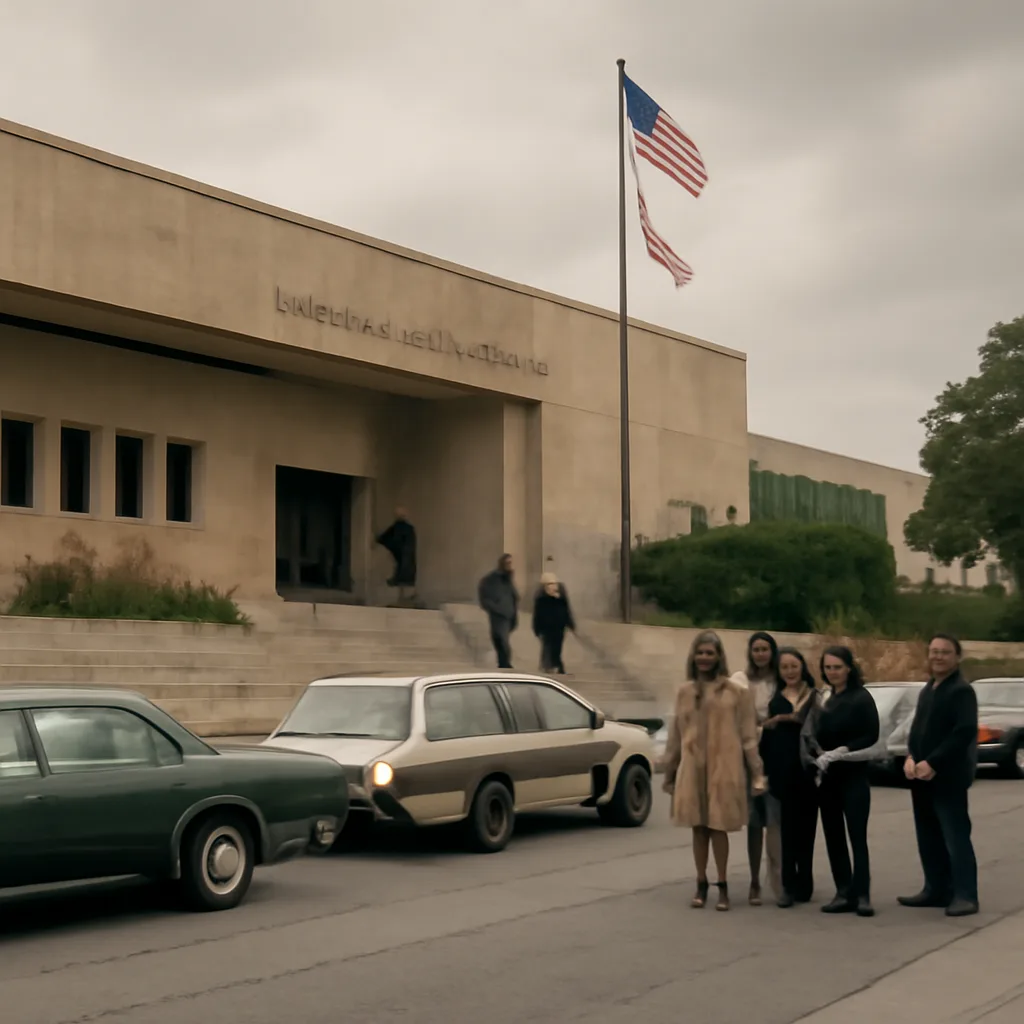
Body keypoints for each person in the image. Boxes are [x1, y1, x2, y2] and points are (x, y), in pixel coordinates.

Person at [663, 630, 766, 912]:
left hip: (725, 768)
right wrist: (669, 771)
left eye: (710, 653)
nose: (704, 658)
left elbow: (748, 736)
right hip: (693, 768)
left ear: (719, 656)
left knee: (718, 827)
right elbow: (675, 736)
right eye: (700, 653)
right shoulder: (685, 692)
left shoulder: (737, 692)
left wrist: (757, 772)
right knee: (698, 827)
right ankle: (701, 883)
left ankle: (722, 884)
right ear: (693, 656)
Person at [899, 633, 980, 917]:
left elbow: (964, 732)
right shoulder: (928, 689)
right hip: (921, 776)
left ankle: (966, 895)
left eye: (945, 652)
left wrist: (933, 762)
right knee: (928, 836)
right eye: (934, 651)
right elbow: (917, 729)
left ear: (957, 657)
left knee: (955, 836)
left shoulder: (961, 691)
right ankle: (936, 889)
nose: (938, 656)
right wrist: (911, 756)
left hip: (948, 777)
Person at [801, 645, 880, 917]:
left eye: (837, 667)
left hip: (854, 776)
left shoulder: (861, 698)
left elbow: (871, 734)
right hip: (828, 778)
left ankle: (863, 895)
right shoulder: (825, 699)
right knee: (834, 837)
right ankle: (843, 892)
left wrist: (843, 750)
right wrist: (816, 752)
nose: (832, 672)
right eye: (828, 668)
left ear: (849, 668)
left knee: (857, 837)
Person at [761, 647, 820, 907]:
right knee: (786, 831)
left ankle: (805, 883)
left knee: (807, 829)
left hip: (808, 770)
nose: (790, 671)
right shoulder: (776, 699)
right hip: (782, 771)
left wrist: (781, 718)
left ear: (802, 667)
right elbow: (767, 738)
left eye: (794, 666)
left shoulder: (814, 696)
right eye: (784, 667)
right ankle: (787, 885)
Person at [731, 631, 782, 906]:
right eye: (756, 649)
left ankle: (778, 880)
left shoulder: (780, 681)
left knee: (775, 820)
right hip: (749, 757)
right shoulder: (742, 681)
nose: (760, 654)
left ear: (772, 652)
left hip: (776, 755)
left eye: (765, 649)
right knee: (753, 821)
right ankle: (754, 881)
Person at [478, 554, 519, 669]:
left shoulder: (508, 579)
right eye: (508, 563)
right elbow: (484, 597)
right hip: (498, 615)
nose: (511, 565)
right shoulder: (492, 579)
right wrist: (495, 608)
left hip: (508, 614)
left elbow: (513, 597)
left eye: (511, 563)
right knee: (500, 639)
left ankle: (503, 664)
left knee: (501, 639)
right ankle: (505, 664)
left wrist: (513, 613)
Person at [532, 572, 575, 674]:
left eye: (554, 584)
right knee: (547, 646)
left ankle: (555, 665)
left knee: (557, 647)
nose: (552, 587)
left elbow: (566, 610)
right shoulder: (541, 599)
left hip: (559, 627)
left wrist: (570, 623)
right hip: (546, 628)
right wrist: (536, 629)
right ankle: (550, 665)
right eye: (549, 584)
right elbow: (537, 615)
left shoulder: (561, 598)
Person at [376, 507, 418, 606]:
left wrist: (391, 546)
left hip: (402, 556)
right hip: (403, 557)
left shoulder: (399, 528)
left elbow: (385, 538)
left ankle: (404, 598)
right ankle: (405, 598)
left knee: (402, 577)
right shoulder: (405, 528)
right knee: (403, 577)